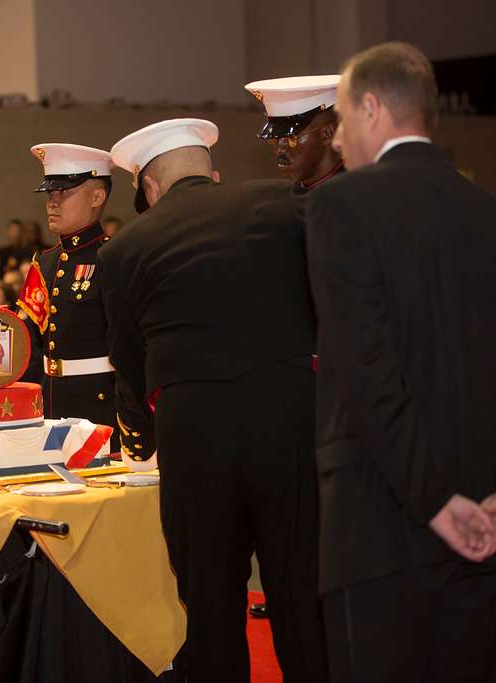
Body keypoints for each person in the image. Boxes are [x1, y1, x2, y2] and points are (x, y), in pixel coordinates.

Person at [306, 42, 496, 683]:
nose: (335, 139)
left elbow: (365, 370)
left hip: (382, 532)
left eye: (339, 117)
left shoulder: (342, 206)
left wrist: (436, 501)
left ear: (371, 108)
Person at [101, 119, 325, 682]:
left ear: (149, 187)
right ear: (212, 173)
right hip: (289, 419)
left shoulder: (125, 247)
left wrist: (149, 437)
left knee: (208, 600)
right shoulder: (285, 202)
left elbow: (128, 361)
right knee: (302, 591)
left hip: (193, 433)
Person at [244, 73, 342, 619]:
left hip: (344, 385)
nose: (281, 144)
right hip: (286, 386)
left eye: (294, 133)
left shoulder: (358, 201)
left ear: (329, 130)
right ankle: (297, 589)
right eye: (276, 134)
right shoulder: (279, 206)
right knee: (293, 503)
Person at [18, 143, 118, 447]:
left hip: (100, 409)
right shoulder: (45, 262)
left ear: (97, 197)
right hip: (51, 405)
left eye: (65, 192)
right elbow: (32, 343)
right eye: (50, 193)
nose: (53, 202)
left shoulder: (114, 258)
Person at [245, 74, 343, 192]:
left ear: (327, 133)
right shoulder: (283, 200)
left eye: (291, 137)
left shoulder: (356, 196)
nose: (279, 148)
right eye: (275, 138)